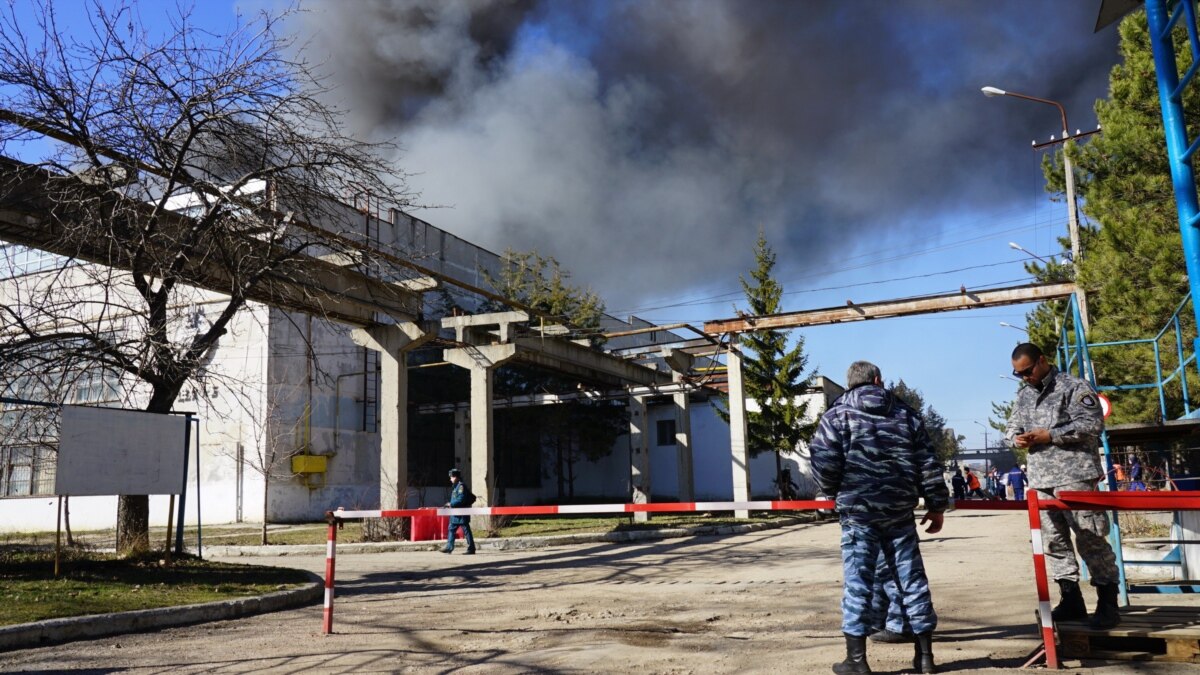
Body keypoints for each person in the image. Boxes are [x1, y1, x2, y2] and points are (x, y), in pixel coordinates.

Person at [811, 360, 948, 675]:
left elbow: (825, 459)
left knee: (859, 581)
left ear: (850, 384)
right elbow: (928, 461)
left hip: (858, 512)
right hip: (900, 510)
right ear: (877, 379)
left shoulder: (836, 415)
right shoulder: (906, 414)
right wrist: (937, 504)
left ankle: (856, 661)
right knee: (912, 580)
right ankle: (925, 658)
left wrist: (830, 492)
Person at [1006, 343, 1120, 629]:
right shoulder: (1023, 397)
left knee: (1090, 537)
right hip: (1041, 480)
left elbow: (1091, 425)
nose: (1025, 378)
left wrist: (1050, 435)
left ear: (1042, 361)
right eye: (1018, 374)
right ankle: (1071, 600)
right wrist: (1016, 439)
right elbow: (1010, 429)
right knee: (1054, 542)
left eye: (1028, 371)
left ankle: (1108, 603)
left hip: (1076, 476)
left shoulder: (1073, 387)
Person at [440, 468, 476, 555]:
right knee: (451, 529)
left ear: (455, 477)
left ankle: (471, 548)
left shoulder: (461, 486)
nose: (450, 479)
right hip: (455, 514)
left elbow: (461, 500)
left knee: (466, 530)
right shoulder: (456, 487)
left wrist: (450, 504)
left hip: (461, 513)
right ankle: (449, 547)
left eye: (451, 477)